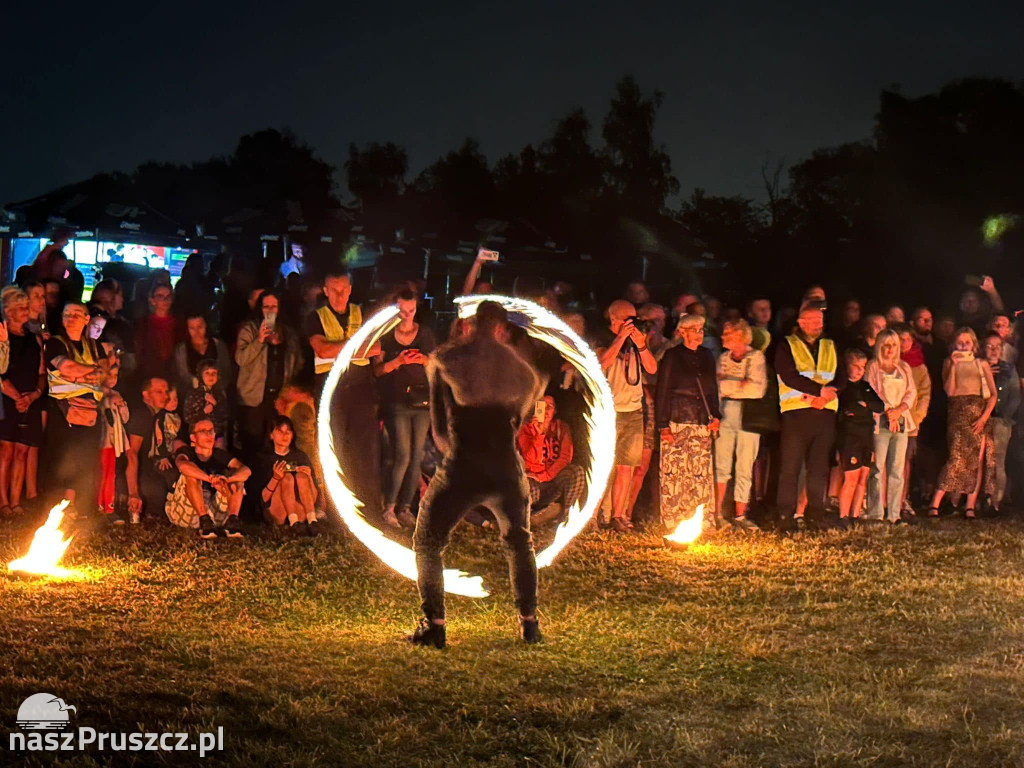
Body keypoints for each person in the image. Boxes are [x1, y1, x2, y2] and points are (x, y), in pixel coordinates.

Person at [411, 301, 543, 648]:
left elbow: (438, 425)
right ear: (502, 329)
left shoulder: (446, 358)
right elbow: (519, 423)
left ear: (470, 325)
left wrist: (451, 455)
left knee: (428, 541)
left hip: (463, 465)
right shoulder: (524, 373)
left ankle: (434, 625)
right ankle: (530, 624)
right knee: (519, 541)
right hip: (505, 468)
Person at [306, 270, 382, 522]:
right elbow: (322, 349)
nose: (339, 295)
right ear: (325, 291)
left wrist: (339, 348)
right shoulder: (315, 318)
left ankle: (369, 510)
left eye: (343, 289)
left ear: (350, 289)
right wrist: (356, 346)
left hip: (361, 391)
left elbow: (378, 347)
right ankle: (337, 513)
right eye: (333, 290)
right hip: (332, 392)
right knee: (333, 448)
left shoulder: (364, 314)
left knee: (365, 450)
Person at [774, 301, 841, 532]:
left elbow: (840, 376)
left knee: (819, 467)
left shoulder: (831, 345)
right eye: (811, 321)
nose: (816, 325)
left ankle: (816, 516)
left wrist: (826, 396)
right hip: (796, 413)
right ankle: (785, 517)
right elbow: (788, 375)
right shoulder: (786, 345)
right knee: (790, 468)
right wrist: (818, 391)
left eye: (819, 321)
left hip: (824, 412)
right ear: (800, 323)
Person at [373, 289, 436, 529]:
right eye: (402, 311)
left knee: (416, 456)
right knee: (402, 454)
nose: (407, 316)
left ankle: (405, 508)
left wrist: (422, 359)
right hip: (396, 402)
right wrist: (397, 361)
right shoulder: (385, 335)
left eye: (411, 311)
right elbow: (377, 370)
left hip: (421, 402)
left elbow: (435, 363)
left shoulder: (426, 334)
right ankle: (389, 507)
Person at [45, 302, 115, 516]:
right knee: (65, 458)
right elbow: (65, 366)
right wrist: (90, 371)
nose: (71, 318)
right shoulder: (56, 344)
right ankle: (62, 506)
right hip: (63, 411)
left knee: (84, 457)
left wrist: (80, 374)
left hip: (89, 412)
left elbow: (105, 375)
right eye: (67, 314)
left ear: (86, 319)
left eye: (77, 314)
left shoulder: (94, 346)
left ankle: (79, 506)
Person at [595, 300, 657, 532]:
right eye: (627, 319)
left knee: (626, 467)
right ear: (614, 319)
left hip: (633, 411)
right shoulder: (602, 339)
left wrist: (641, 346)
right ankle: (593, 516)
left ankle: (618, 516)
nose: (632, 323)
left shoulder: (637, 340)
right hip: (608, 412)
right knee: (603, 466)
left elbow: (651, 369)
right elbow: (601, 363)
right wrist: (620, 338)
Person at [655, 314, 720, 530]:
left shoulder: (708, 356)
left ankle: (702, 520)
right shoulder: (673, 356)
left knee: (700, 473)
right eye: (694, 329)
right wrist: (663, 424)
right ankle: (673, 519)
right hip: (677, 420)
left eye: (701, 329)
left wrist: (716, 415)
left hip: (702, 421)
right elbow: (662, 391)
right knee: (674, 473)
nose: (699, 334)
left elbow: (712, 390)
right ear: (682, 332)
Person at [928, 328, 998, 519]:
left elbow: (993, 395)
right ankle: (936, 502)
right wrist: (954, 366)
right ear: (954, 345)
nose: (964, 346)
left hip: (979, 414)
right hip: (958, 413)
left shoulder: (981, 364)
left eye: (967, 342)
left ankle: (970, 506)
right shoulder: (948, 362)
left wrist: (983, 418)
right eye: (960, 342)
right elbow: (949, 390)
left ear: (974, 344)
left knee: (977, 460)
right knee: (956, 457)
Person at [236, 289, 303, 458]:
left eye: (274, 306)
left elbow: (297, 363)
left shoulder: (288, 333)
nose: (270, 310)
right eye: (266, 306)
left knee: (276, 446)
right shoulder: (249, 329)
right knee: (252, 446)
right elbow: (241, 359)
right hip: (254, 398)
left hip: (278, 398)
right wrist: (259, 341)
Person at [714, 319, 767, 531]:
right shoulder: (723, 358)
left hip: (749, 415)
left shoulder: (755, 357)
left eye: (727, 333)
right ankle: (717, 513)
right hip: (725, 412)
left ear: (739, 336)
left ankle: (740, 515)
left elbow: (757, 390)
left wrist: (729, 383)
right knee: (721, 463)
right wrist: (740, 383)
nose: (722, 337)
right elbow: (718, 387)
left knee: (745, 464)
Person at [864, 329, 917, 524]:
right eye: (885, 345)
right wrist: (889, 412)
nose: (889, 349)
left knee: (897, 469)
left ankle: (894, 513)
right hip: (881, 422)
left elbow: (911, 392)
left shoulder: (903, 367)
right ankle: (875, 512)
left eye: (893, 345)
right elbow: (872, 392)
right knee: (877, 468)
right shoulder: (873, 367)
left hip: (901, 422)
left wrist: (900, 410)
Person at [0, 288, 43, 516]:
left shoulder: (34, 339)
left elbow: (42, 373)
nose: (27, 312)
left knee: (22, 452)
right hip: (8, 400)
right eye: (21, 308)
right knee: (6, 451)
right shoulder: (2, 337)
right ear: (8, 312)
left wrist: (33, 395)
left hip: (29, 400)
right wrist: (17, 397)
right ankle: (3, 501)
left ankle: (16, 501)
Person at [168, 418, 249, 538]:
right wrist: (209, 478)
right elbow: (183, 466)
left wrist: (226, 481)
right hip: (188, 511)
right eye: (203, 431)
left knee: (237, 476)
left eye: (211, 431)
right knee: (190, 474)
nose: (209, 435)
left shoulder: (219, 454)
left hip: (215, 514)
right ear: (193, 438)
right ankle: (204, 521)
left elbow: (246, 471)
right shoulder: (187, 452)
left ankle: (232, 522)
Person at [517, 395, 586, 524]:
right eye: (542, 406)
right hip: (533, 481)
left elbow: (565, 457)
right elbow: (530, 459)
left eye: (550, 407)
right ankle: (536, 514)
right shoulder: (526, 429)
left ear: (555, 411)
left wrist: (547, 476)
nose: (546, 410)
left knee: (577, 472)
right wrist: (539, 434)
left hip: (552, 481)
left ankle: (565, 515)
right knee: (529, 489)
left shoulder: (561, 428)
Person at [835, 349, 884, 526]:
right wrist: (862, 407)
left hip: (866, 435)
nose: (859, 371)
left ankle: (855, 515)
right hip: (850, 436)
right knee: (851, 477)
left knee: (863, 476)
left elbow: (879, 406)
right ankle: (843, 516)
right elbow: (848, 409)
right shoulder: (842, 387)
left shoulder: (865, 386)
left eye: (862, 367)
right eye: (855, 366)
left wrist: (864, 405)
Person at [251, 416, 319, 533]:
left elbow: (315, 494)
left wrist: (309, 478)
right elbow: (262, 499)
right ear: (271, 435)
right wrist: (275, 478)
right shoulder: (263, 459)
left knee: (301, 477)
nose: (285, 435)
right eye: (280, 431)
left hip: (300, 509)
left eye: (288, 431)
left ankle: (312, 521)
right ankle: (293, 522)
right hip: (277, 510)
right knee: (286, 477)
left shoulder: (300, 456)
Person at [124, 377, 177, 522]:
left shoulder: (156, 415)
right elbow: (131, 453)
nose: (165, 396)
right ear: (146, 395)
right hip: (129, 471)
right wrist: (133, 492)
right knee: (156, 490)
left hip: (147, 466)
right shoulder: (142, 415)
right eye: (159, 392)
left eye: (166, 392)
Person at [895, 324, 932, 513]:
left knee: (905, 461)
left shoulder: (920, 367)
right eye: (900, 339)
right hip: (890, 420)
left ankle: (902, 500)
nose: (904, 343)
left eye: (907, 339)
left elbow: (925, 394)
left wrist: (917, 417)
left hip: (910, 422)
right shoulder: (888, 362)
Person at [982, 332, 1019, 511]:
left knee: (997, 461)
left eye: (998, 346)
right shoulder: (977, 366)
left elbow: (1015, 395)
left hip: (1000, 421)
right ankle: (975, 499)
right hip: (979, 420)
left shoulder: (1009, 369)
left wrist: (1005, 418)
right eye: (990, 346)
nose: (995, 350)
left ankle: (995, 501)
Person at [173, 313, 232, 398]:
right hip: (191, 399)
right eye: (192, 328)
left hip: (217, 397)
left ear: (206, 325)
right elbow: (182, 376)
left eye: (200, 327)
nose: (196, 332)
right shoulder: (182, 349)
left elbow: (226, 372)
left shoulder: (218, 345)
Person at [134, 282, 179, 384]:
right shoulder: (143, 324)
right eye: (160, 296)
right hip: (148, 374)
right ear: (152, 300)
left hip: (173, 374)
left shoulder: (178, 324)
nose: (165, 300)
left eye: (168, 296)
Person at [184, 360, 228, 446]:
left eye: (214, 373)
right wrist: (204, 412)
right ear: (201, 375)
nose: (211, 376)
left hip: (217, 436)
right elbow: (188, 418)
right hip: (199, 437)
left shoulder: (219, 395)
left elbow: (225, 416)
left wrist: (215, 404)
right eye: (207, 373)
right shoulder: (193, 394)